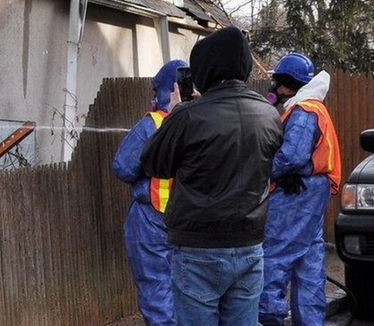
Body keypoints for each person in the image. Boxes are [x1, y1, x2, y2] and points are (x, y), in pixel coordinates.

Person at [140, 27, 283, 326]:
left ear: (205, 69)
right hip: (250, 245)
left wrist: (174, 114)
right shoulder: (269, 114)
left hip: (197, 250)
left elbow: (154, 163)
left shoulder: (188, 115)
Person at [259, 54, 341, 326]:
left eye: (278, 84)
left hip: (298, 194)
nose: (275, 91)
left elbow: (292, 155)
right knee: (307, 261)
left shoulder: (304, 111)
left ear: (288, 84)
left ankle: (269, 317)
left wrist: (262, 171)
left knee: (276, 255)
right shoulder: (310, 106)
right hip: (310, 190)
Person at [112, 59, 191, 325]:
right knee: (189, 290)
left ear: (164, 91)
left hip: (152, 218)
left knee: (157, 289)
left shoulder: (152, 125)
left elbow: (122, 167)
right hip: (191, 220)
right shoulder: (202, 121)